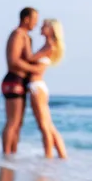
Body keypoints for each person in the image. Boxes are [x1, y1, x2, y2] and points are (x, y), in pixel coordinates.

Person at [1, 7, 52, 156]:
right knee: (13, 122)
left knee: (18, 124)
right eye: (34, 20)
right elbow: (13, 60)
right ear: (26, 19)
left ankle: (12, 155)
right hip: (14, 80)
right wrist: (34, 70)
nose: (36, 24)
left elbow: (29, 58)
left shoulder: (26, 37)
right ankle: (6, 156)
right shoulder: (18, 35)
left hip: (21, 82)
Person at [25, 19, 68, 159]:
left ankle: (48, 157)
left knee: (44, 126)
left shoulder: (49, 46)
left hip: (37, 87)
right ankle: (62, 156)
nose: (41, 27)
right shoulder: (48, 45)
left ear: (51, 29)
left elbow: (30, 59)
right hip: (38, 86)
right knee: (48, 126)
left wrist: (24, 42)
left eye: (44, 26)